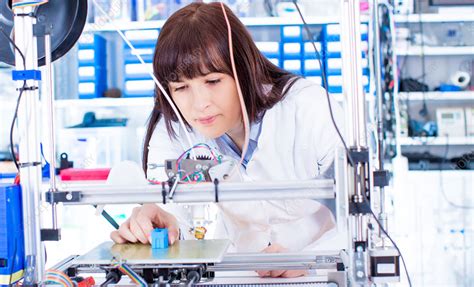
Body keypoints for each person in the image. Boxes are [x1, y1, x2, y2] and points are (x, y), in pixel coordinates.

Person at [110, 2, 344, 278]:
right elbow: (173, 211)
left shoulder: (309, 108)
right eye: (182, 88)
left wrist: (307, 259)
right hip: (236, 275)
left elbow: (362, 217)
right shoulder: (175, 129)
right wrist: (156, 219)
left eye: (212, 81)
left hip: (321, 275)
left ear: (243, 70)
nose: (200, 104)